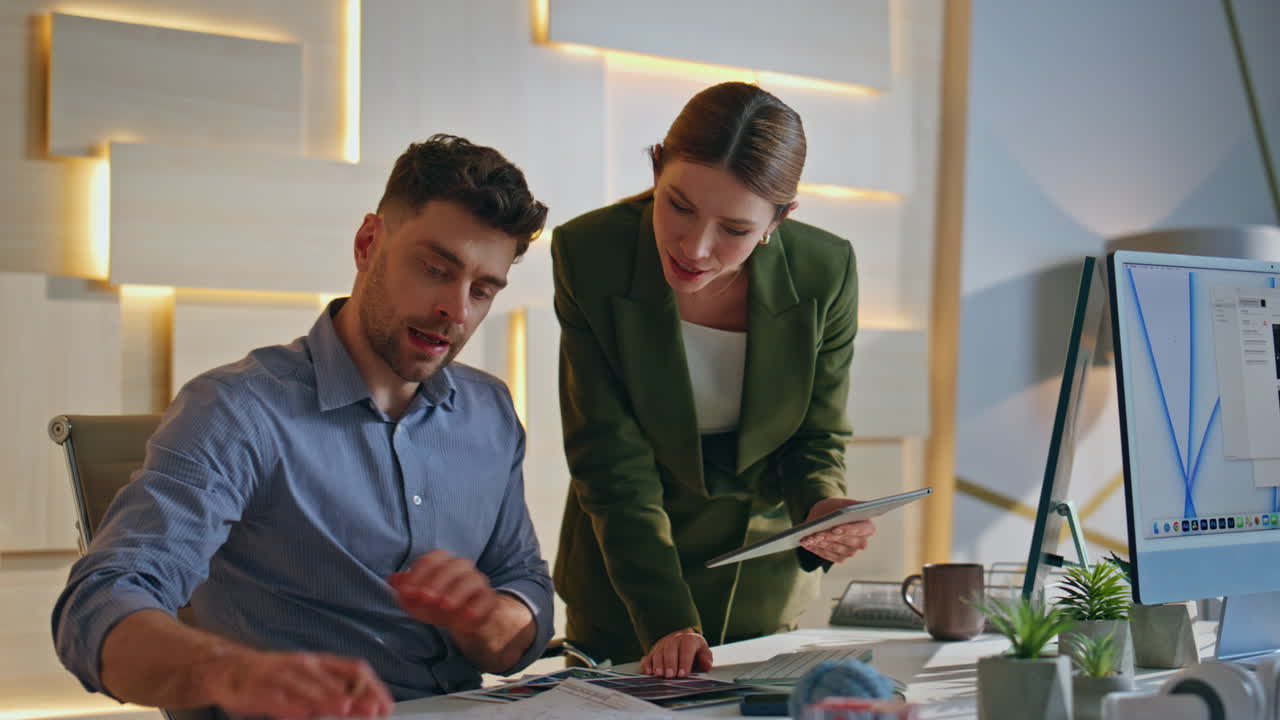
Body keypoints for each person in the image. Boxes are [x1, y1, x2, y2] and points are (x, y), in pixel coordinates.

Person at [51, 135, 554, 717]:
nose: (458, 310)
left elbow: (524, 589)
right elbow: (97, 602)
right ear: (369, 243)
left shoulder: (489, 411)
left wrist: (490, 620)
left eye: (483, 290)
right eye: (436, 269)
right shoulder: (237, 410)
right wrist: (230, 674)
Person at [551, 82, 878, 678]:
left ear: (779, 220)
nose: (695, 247)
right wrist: (665, 617)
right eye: (677, 205)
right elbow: (610, 462)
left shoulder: (825, 273)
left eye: (734, 229)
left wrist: (821, 506)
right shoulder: (588, 253)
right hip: (626, 582)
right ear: (656, 171)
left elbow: (816, 436)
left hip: (760, 575)